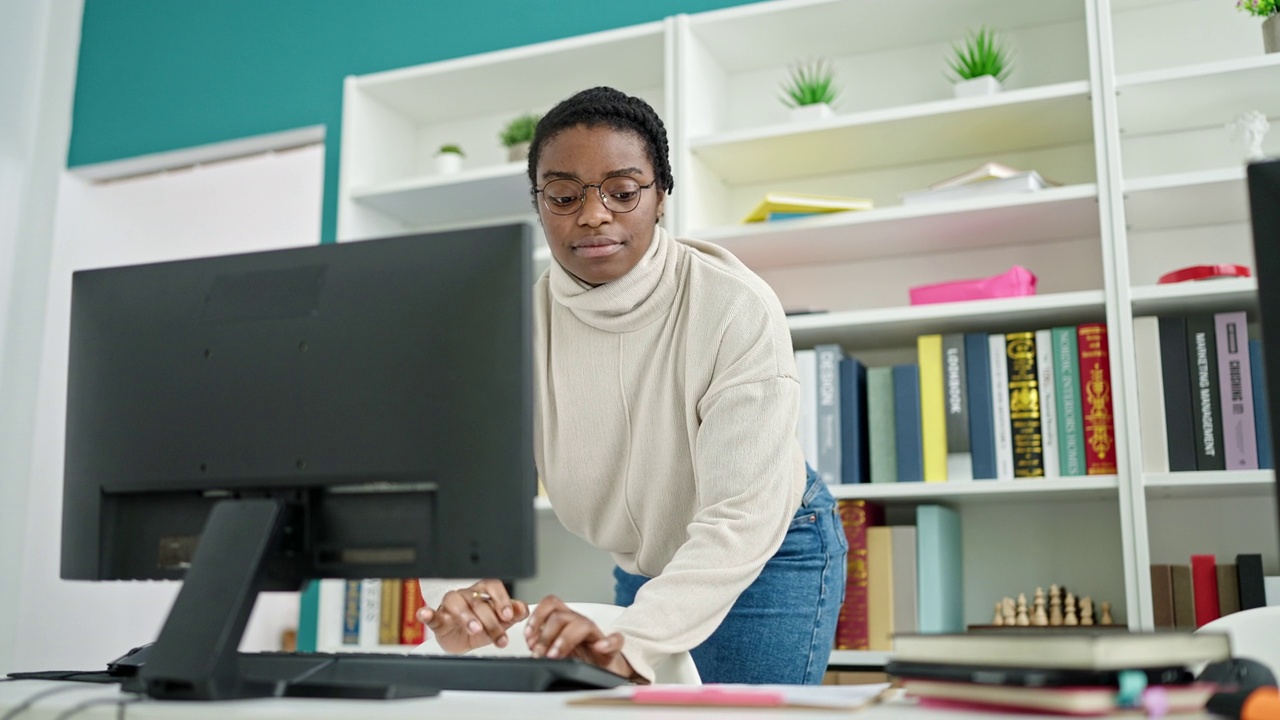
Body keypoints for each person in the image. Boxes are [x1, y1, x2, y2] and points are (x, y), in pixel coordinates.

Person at [416, 86, 847, 685]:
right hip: (647, 561)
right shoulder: (512, 324)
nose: (593, 215)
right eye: (564, 196)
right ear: (539, 203)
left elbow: (741, 515)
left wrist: (634, 638)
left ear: (661, 195)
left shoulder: (733, 307)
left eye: (622, 192)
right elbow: (465, 477)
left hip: (765, 547)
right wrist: (459, 590)